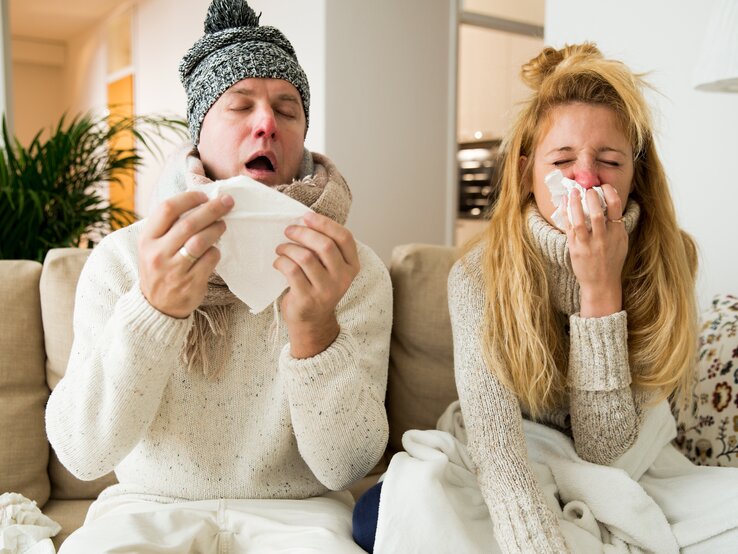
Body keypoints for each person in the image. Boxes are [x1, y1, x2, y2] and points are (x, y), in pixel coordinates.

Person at [354, 43, 738, 553]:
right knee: (379, 516)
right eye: (563, 160)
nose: (585, 179)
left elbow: (606, 453)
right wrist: (534, 542)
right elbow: (497, 446)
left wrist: (601, 290)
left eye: (609, 162)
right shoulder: (477, 273)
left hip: (628, 456)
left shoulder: (669, 259)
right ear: (527, 173)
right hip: (510, 451)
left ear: (634, 176)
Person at [46, 0, 391, 551]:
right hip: (146, 508)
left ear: (302, 136)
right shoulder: (121, 259)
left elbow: (346, 466)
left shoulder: (350, 270)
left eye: (288, 108)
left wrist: (314, 333)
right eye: (240, 105)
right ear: (199, 129)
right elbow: (82, 452)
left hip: (301, 517)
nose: (267, 124)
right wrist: (151, 311)